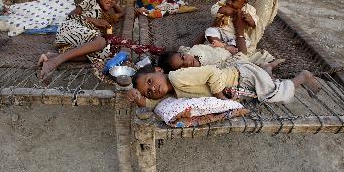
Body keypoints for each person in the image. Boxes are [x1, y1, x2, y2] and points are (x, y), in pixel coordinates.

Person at [127, 62, 321, 109]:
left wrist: (221, 98)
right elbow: (154, 105)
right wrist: (139, 99)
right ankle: (266, 68)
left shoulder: (177, 78)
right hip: (238, 85)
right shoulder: (172, 94)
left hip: (241, 77)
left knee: (272, 94)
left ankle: (301, 78)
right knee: (266, 87)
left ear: (159, 71)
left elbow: (212, 71)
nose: (152, 89)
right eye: (149, 92)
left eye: (150, 81)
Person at [37, 0, 123, 79]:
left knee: (105, 53)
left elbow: (121, 13)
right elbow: (72, 15)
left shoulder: (107, 16)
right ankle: (54, 62)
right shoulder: (91, 2)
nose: (110, 0)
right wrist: (93, 20)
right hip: (71, 27)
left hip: (78, 41)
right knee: (101, 41)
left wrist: (113, 3)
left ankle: (50, 57)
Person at [200, 0, 280, 65]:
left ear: (245, 2)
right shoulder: (224, 4)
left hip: (236, 36)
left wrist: (251, 21)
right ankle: (218, 43)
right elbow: (213, 9)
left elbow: (255, 21)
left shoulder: (249, 10)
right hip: (222, 32)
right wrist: (222, 10)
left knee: (244, 43)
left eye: (233, 0)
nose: (229, 2)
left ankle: (230, 48)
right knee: (210, 31)